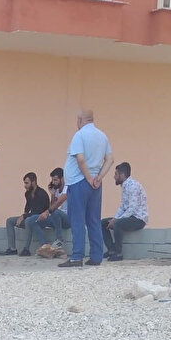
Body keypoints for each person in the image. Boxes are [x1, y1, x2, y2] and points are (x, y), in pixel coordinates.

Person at [58, 110, 113, 267]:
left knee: (77, 220)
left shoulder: (79, 135)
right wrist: (99, 177)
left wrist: (88, 178)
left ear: (80, 120)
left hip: (79, 182)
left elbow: (80, 159)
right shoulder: (102, 136)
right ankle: (96, 256)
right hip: (95, 184)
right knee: (94, 220)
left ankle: (77, 256)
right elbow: (110, 159)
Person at [101, 162, 148, 262]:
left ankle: (118, 253)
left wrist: (116, 220)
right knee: (102, 223)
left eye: (116, 174)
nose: (114, 177)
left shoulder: (133, 186)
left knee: (117, 223)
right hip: (129, 217)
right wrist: (115, 218)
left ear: (122, 175)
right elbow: (122, 206)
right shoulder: (125, 186)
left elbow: (132, 208)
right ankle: (111, 250)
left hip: (138, 219)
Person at [1, 172, 50, 257]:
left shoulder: (41, 194)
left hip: (41, 220)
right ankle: (12, 249)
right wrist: (22, 216)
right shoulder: (28, 193)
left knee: (28, 221)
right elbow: (27, 209)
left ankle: (26, 249)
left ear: (33, 182)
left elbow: (38, 212)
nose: (25, 185)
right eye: (24, 183)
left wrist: (23, 217)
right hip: (30, 218)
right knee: (9, 221)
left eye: (27, 183)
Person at [28, 167, 71, 251]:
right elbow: (52, 206)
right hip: (57, 219)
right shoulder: (56, 190)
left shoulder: (68, 188)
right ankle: (45, 245)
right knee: (32, 219)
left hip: (68, 219)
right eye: (52, 180)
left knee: (56, 212)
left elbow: (59, 202)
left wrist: (47, 212)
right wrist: (52, 194)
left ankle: (59, 240)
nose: (53, 182)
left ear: (62, 179)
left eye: (55, 180)